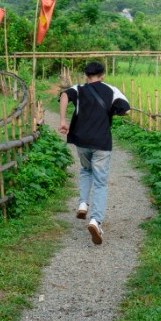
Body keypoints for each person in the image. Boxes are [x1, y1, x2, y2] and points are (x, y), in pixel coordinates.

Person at [58, 61, 130, 245]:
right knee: (100, 181)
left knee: (85, 170)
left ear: (85, 75)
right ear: (102, 75)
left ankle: (83, 204)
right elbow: (126, 109)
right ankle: (95, 220)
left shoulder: (78, 88)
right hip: (101, 143)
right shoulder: (112, 90)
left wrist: (63, 121)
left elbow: (65, 95)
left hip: (81, 140)